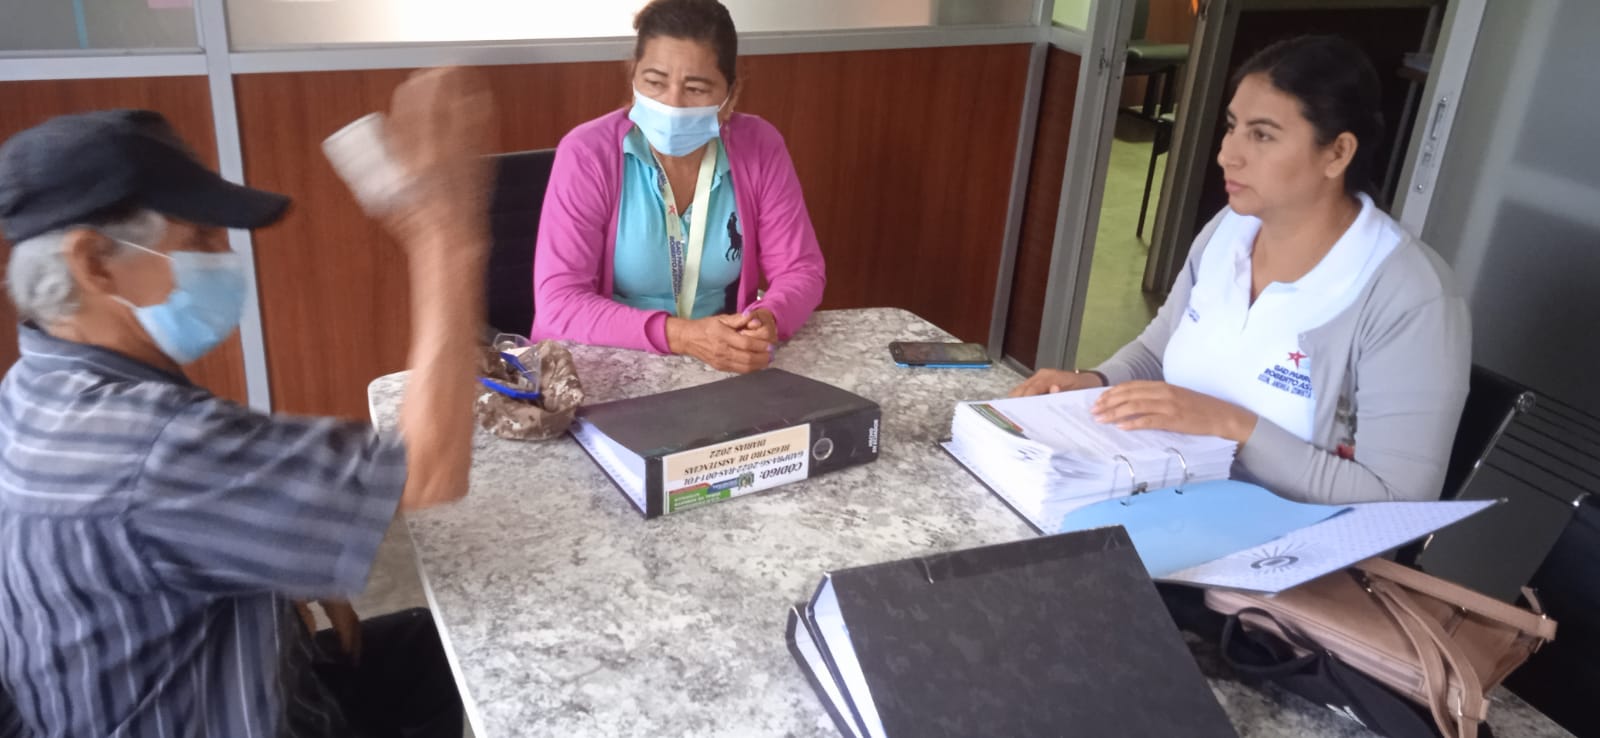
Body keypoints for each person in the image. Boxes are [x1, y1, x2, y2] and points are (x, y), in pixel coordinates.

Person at [0, 67, 492, 737]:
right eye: (198, 239)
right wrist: (448, 236)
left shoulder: (32, 388)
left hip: (155, 689)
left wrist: (282, 576)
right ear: (93, 263)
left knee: (439, 653)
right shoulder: (146, 445)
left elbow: (142, 535)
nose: (223, 257)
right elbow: (427, 470)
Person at [1012, 35, 1470, 506]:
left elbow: (1398, 499)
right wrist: (1096, 384)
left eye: (1262, 135)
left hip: (1284, 539)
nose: (1227, 154)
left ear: (1337, 153)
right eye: (1232, 128)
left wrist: (1231, 425)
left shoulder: (1410, 296)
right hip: (1169, 496)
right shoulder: (1229, 230)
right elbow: (1157, 352)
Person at [531, 0, 826, 374]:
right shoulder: (587, 153)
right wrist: (682, 336)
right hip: (601, 364)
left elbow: (801, 270)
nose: (672, 103)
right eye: (655, 82)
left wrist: (767, 318)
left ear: (730, 95)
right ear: (633, 76)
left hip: (716, 361)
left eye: (696, 88)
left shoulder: (759, 146)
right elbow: (560, 302)